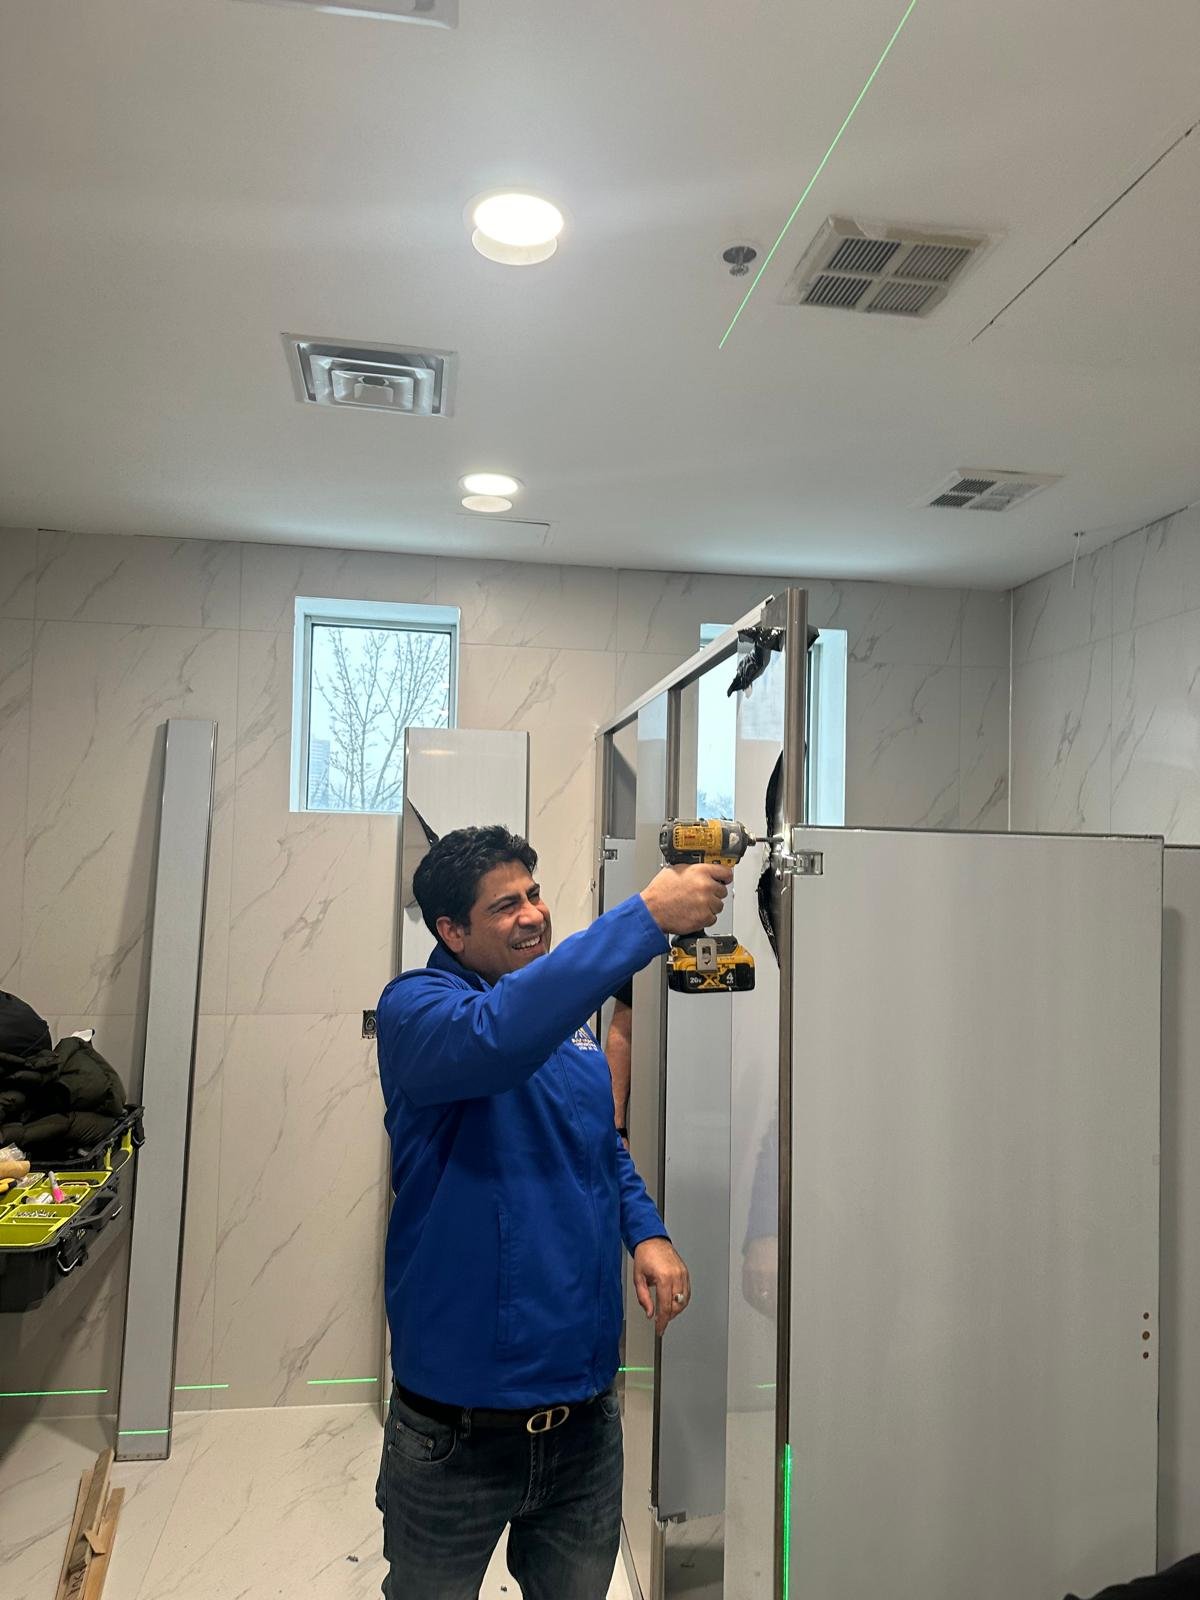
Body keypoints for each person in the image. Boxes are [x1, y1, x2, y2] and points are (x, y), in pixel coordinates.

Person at [374, 824, 731, 1600]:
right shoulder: (417, 1012)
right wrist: (645, 917)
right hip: (457, 1429)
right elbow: (497, 1039)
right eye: (505, 906)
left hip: (583, 1421)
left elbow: (597, 1142)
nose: (533, 915)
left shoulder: (567, 1026)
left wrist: (645, 1231)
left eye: (534, 895)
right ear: (451, 931)